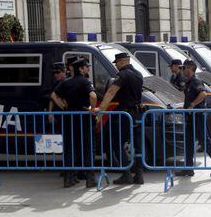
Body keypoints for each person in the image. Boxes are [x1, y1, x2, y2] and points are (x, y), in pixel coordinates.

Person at [93, 52, 145, 185]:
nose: (116, 66)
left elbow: (111, 92)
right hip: (137, 113)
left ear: (122, 61)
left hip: (124, 115)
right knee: (138, 144)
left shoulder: (122, 75)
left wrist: (101, 109)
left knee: (115, 143)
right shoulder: (139, 74)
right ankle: (139, 175)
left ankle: (126, 173)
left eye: (117, 63)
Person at [174, 59, 211, 178]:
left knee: (205, 142)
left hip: (197, 117)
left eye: (184, 68)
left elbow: (203, 94)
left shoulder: (195, 80)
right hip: (191, 117)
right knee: (189, 143)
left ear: (191, 68)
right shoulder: (189, 81)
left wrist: (192, 106)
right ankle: (188, 169)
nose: (182, 70)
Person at [51, 58, 98, 188]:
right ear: (81, 69)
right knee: (88, 148)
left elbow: (54, 96)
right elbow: (93, 96)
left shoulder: (66, 82)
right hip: (84, 119)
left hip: (69, 119)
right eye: (86, 67)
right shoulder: (85, 82)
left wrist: (64, 107)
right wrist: (93, 109)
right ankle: (90, 179)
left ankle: (68, 178)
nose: (88, 69)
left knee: (70, 149)